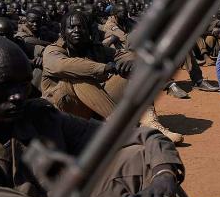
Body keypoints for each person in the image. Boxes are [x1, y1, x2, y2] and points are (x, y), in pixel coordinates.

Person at [0, 35, 214, 197]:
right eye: (2, 86)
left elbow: (136, 137)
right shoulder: (53, 52)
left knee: (139, 158)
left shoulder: (40, 117)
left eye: (24, 84)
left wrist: (163, 174)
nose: (18, 95)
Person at [41, 10, 183, 143]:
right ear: (63, 32)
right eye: (71, 27)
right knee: (78, 75)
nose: (77, 30)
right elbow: (61, 66)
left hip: (95, 109)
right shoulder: (53, 50)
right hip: (64, 111)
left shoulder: (94, 48)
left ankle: (150, 123)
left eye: (81, 27)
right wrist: (105, 67)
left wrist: (131, 63)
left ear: (88, 30)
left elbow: (127, 56)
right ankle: (123, 129)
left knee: (134, 71)